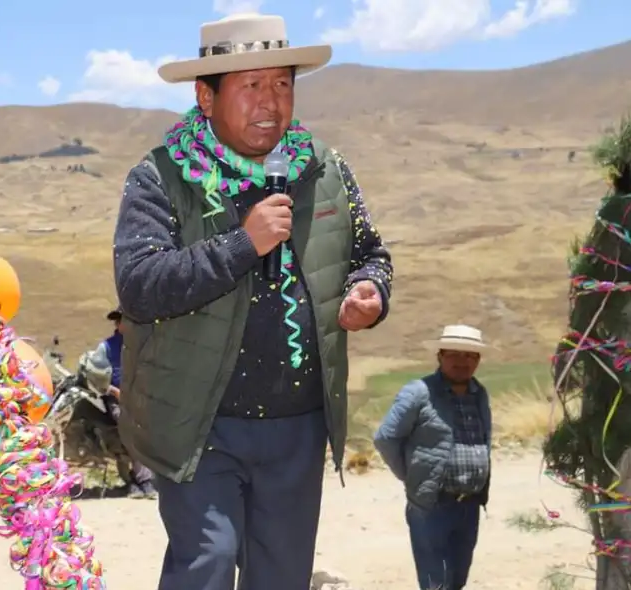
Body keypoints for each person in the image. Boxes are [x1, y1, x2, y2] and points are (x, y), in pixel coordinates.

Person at [112, 12, 393, 590]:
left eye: (283, 84)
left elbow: (371, 253)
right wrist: (244, 244)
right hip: (198, 422)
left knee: (282, 579)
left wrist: (371, 292)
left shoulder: (325, 171)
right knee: (206, 566)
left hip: (297, 425)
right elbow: (139, 286)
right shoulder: (161, 178)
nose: (271, 101)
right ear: (205, 96)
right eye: (252, 85)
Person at [373, 325, 493, 590]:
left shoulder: (479, 393)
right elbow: (385, 437)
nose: (462, 362)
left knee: (458, 580)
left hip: (470, 504)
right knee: (435, 583)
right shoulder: (418, 392)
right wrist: (412, 475)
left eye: (470, 355)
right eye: (454, 354)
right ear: (440, 356)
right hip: (432, 505)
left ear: (478, 360)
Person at [87, 308, 158, 499]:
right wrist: (114, 391)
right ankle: (143, 480)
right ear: (118, 325)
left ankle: (139, 479)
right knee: (131, 427)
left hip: (141, 398)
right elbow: (96, 377)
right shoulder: (106, 347)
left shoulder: (142, 345)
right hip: (117, 400)